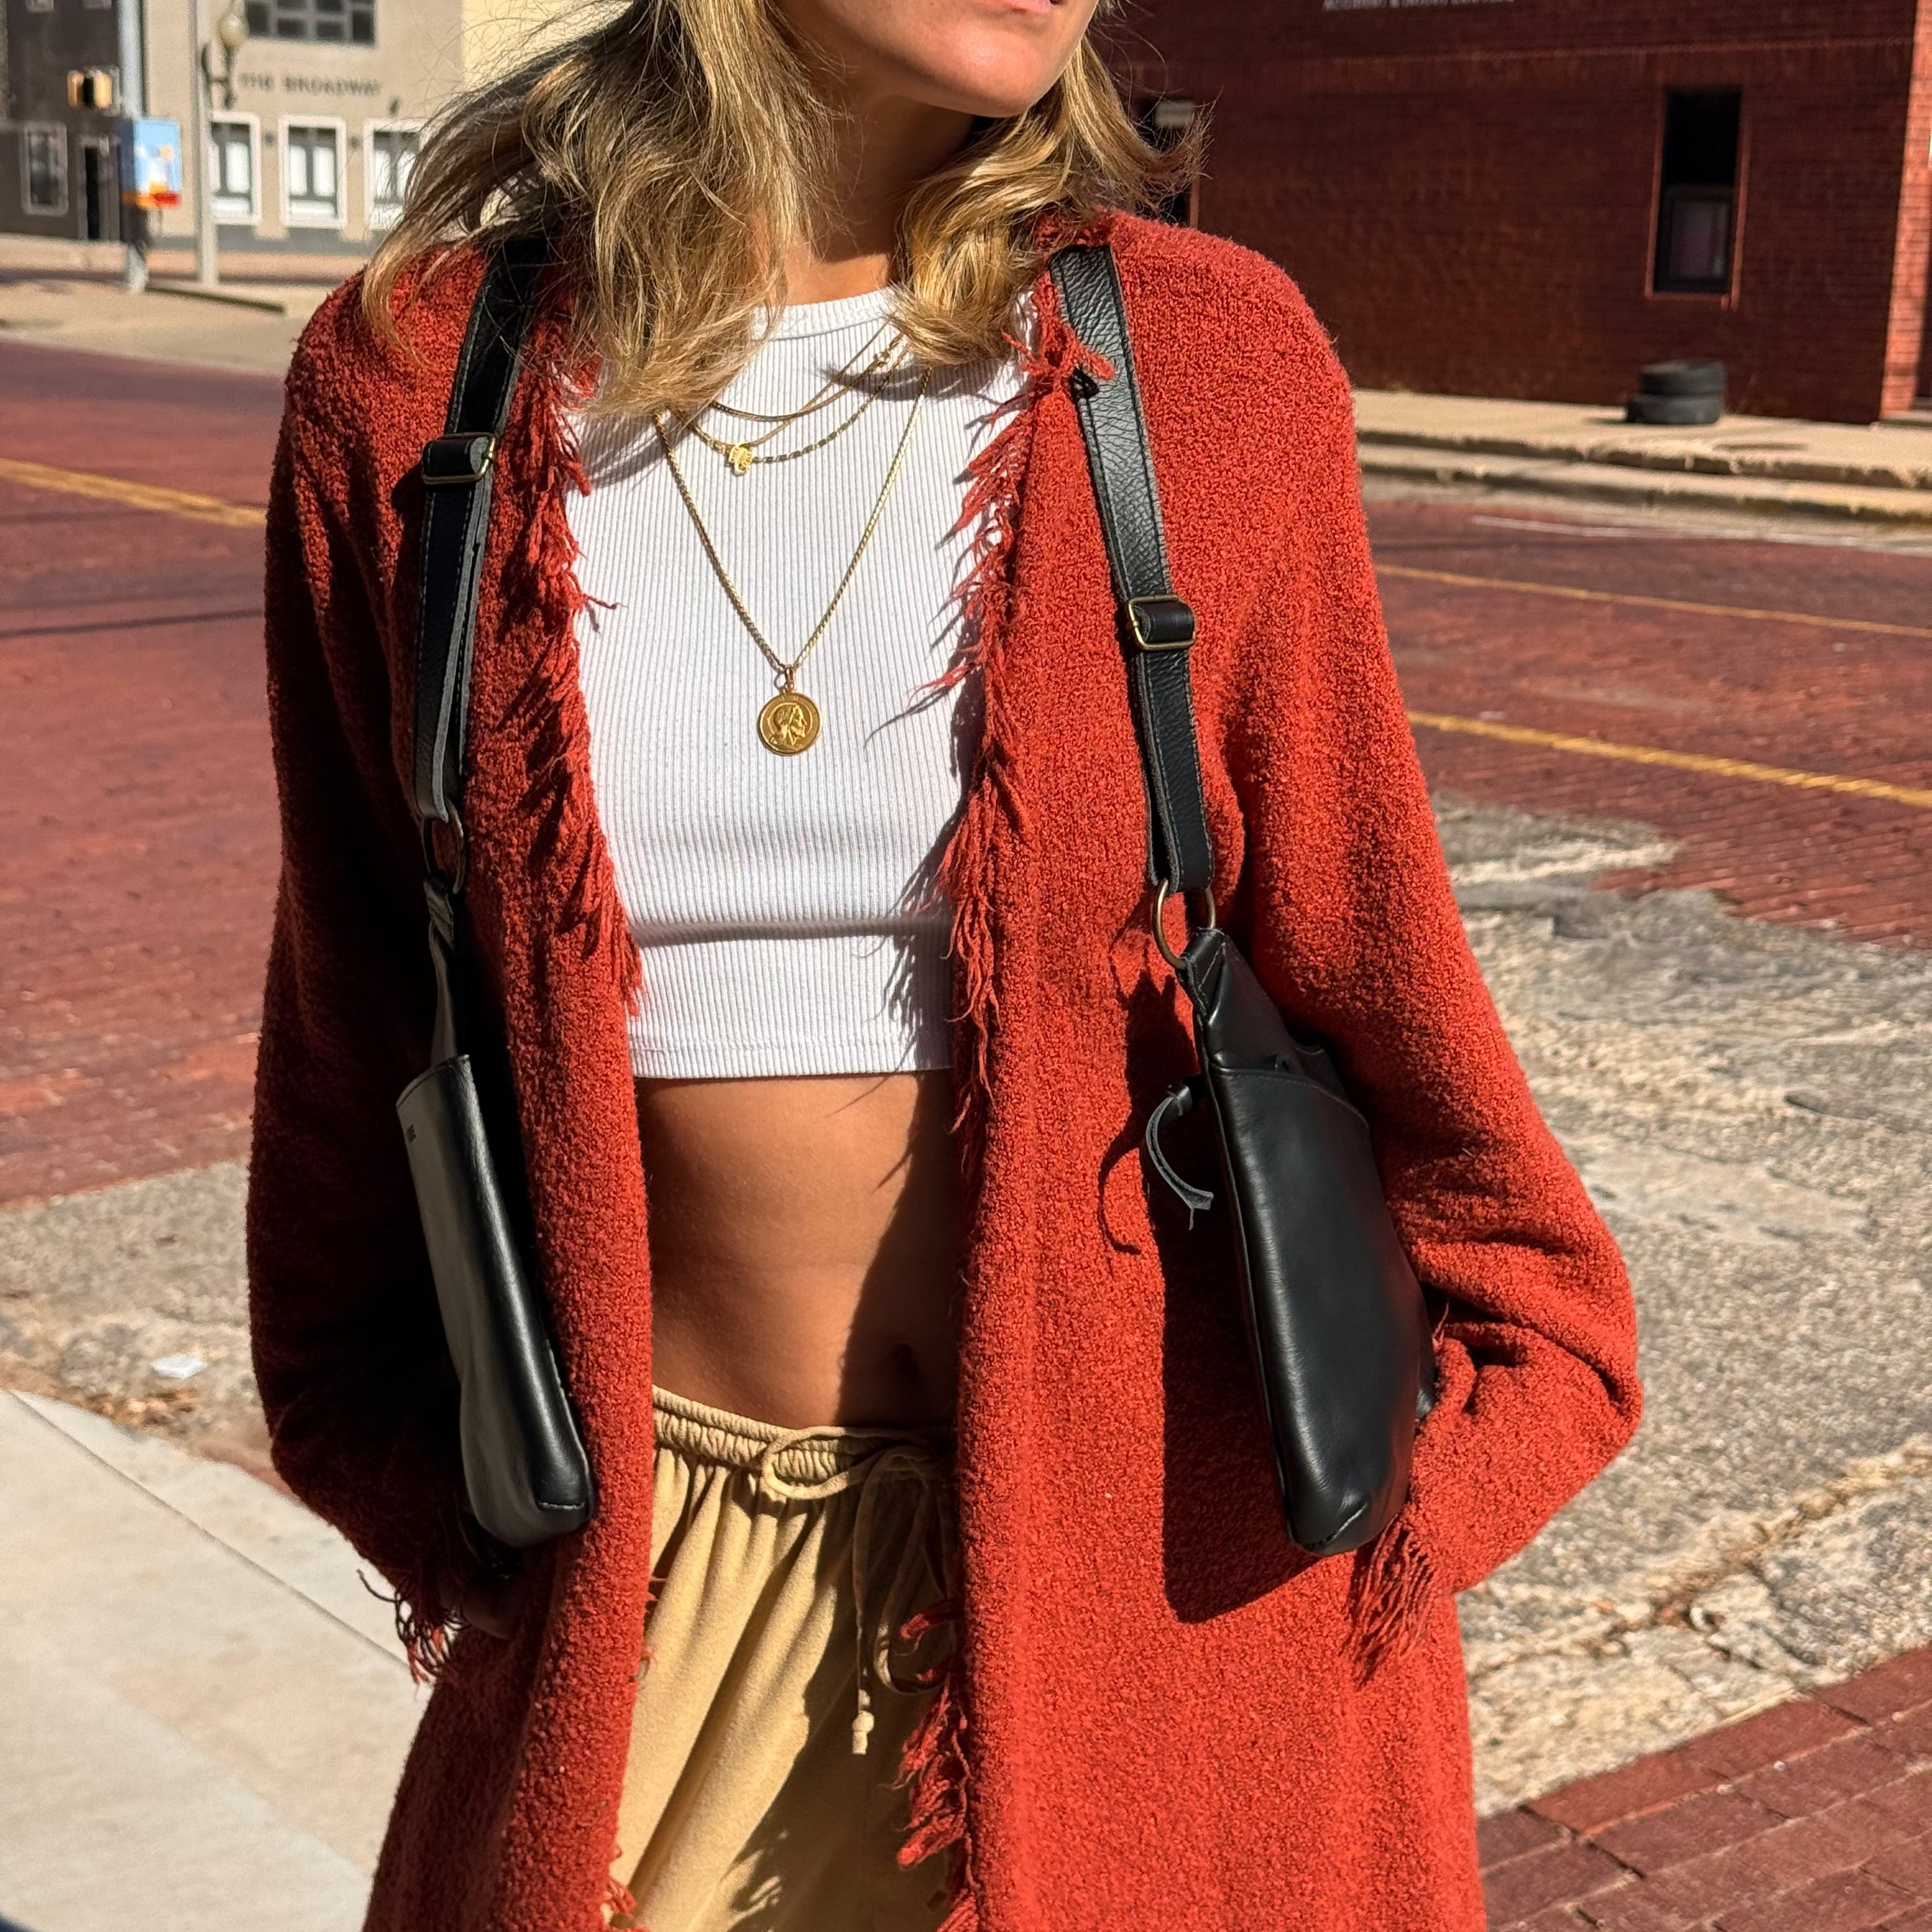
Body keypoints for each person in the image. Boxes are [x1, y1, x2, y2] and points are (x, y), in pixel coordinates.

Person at [246, 1, 1643, 1928]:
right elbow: (353, 1043)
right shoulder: (414, 392)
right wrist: (469, 1523)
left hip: (1160, 1587)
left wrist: (1377, 1528)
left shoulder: (1204, 362)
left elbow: (1375, 961)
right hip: (657, 1609)